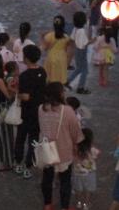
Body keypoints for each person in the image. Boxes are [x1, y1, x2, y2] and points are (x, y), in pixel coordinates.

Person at [38, 82, 83, 210]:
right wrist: (76, 146)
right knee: (65, 181)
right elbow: (76, 132)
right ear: (60, 94)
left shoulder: (41, 108)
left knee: (47, 178)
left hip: (47, 149)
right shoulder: (68, 110)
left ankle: (47, 204)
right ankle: (64, 207)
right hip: (63, 150)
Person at [14, 45, 46, 179]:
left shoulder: (25, 76)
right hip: (38, 111)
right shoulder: (42, 72)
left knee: (21, 138)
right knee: (34, 139)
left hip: (26, 112)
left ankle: (19, 163)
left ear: (26, 58)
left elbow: (25, 96)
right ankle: (28, 166)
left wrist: (16, 93)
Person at [66, 11, 93, 94]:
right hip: (81, 52)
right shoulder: (81, 31)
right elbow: (83, 45)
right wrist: (92, 40)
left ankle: (68, 81)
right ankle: (80, 87)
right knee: (85, 70)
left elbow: (72, 39)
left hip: (77, 51)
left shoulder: (76, 28)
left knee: (78, 68)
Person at [72, 128, 99, 210]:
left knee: (78, 189)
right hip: (90, 173)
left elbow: (73, 158)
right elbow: (97, 156)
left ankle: (78, 203)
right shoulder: (92, 150)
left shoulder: (75, 149)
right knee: (88, 190)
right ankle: (86, 204)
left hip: (77, 172)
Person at [42, 15, 71, 84]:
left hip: (51, 58)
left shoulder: (49, 36)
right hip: (62, 58)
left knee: (50, 77)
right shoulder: (66, 37)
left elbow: (44, 48)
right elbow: (67, 49)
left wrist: (41, 38)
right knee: (60, 78)